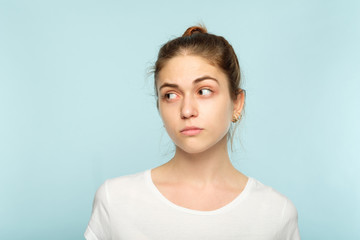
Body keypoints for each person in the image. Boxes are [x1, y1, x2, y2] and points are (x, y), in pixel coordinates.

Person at [84, 25, 300, 240]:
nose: (187, 110)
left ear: (237, 103)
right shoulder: (115, 201)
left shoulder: (275, 213)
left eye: (204, 91)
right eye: (170, 95)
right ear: (158, 105)